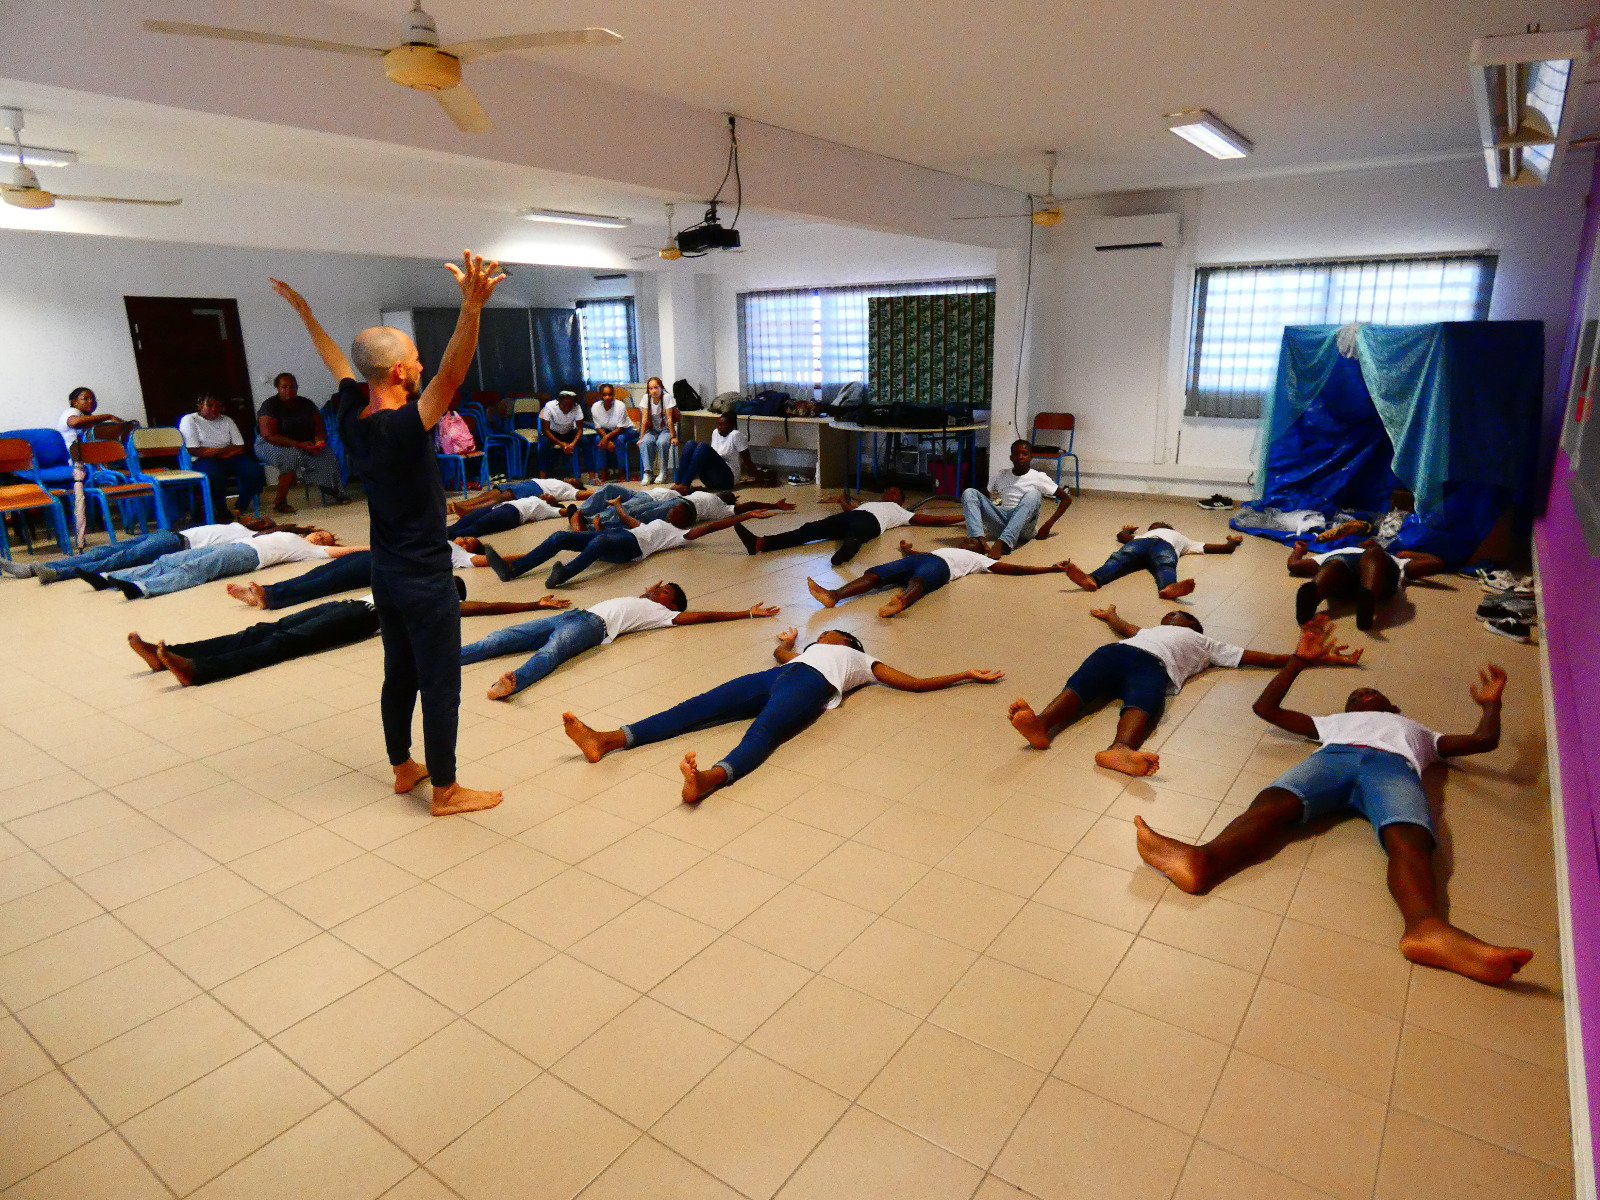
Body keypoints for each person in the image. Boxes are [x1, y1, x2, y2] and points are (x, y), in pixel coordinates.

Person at [1134, 629, 1531, 985]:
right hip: (1334, 758)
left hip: (1394, 769)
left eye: (1370, 694)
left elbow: (1482, 742)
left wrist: (1491, 706)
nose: (1362, 694)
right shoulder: (1334, 723)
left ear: (1392, 710)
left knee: (1411, 840)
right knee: (1271, 807)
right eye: (1355, 696)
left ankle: (1427, 928)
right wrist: (1298, 662)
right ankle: (1202, 862)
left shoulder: (1420, 732)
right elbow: (1265, 709)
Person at [273, 250, 507, 817]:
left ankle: (404, 766)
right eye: (414, 357)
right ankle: (446, 789)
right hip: (425, 578)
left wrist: (307, 315)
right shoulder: (404, 426)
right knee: (440, 684)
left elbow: (339, 363)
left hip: (387, 572)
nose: (422, 361)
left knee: (398, 671)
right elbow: (451, 374)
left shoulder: (354, 414)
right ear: (400, 372)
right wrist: (471, 308)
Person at [562, 626, 1004, 803]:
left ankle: (710, 779)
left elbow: (910, 680)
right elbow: (780, 653)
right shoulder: (808, 650)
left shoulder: (863, 663)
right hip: (774, 677)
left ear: (849, 643)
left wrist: (962, 673)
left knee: (765, 732)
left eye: (834, 632)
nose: (825, 633)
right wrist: (788, 641)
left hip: (811, 688)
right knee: (696, 707)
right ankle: (608, 739)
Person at [1007, 609, 1362, 776]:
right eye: (1169, 615)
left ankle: (1121, 749)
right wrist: (1110, 616)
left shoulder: (1207, 643)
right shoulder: (1146, 630)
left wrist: (1313, 659)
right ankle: (1043, 724)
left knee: (1144, 702)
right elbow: (1123, 626)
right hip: (1116, 653)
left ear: (1193, 626)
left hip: (1154, 667)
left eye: (1179, 615)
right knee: (1082, 682)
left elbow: (1265, 658)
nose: (1171, 616)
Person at [128, 579, 563, 685]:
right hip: (346, 605)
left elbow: (485, 606)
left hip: (356, 620)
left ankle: (199, 670)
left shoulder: (437, 604)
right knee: (265, 627)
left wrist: (531, 604)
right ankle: (168, 653)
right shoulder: (411, 582)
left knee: (281, 643)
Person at [463, 581, 781, 700]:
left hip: (592, 626)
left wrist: (746, 613)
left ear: (671, 604)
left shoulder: (661, 614)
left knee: (553, 652)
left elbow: (698, 615)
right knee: (503, 636)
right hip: (574, 614)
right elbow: (641, 597)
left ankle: (512, 683)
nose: (658, 591)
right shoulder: (645, 599)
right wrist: (647, 592)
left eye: (665, 591)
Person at [481, 497, 773, 587]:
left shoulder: (677, 534)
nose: (673, 507)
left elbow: (711, 527)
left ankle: (564, 576)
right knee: (560, 537)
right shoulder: (657, 523)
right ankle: (513, 570)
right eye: (675, 505)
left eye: (678, 509)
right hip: (624, 536)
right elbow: (631, 522)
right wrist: (618, 506)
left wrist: (744, 515)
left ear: (683, 519)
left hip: (630, 549)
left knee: (599, 543)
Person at [808, 541, 1071, 618]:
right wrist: (907, 549)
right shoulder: (940, 549)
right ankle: (835, 595)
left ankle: (901, 602)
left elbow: (1014, 569)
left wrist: (1049, 568)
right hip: (923, 558)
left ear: (980, 549)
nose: (968, 541)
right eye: (968, 539)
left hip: (940, 568)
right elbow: (914, 554)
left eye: (974, 542)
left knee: (919, 583)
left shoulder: (981, 560)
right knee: (876, 574)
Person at [89, 529, 363, 599]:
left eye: (324, 539)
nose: (318, 537)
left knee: (195, 570)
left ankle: (143, 588)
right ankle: (110, 577)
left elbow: (350, 550)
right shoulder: (292, 534)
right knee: (169, 559)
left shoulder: (310, 551)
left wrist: (382, 544)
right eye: (320, 533)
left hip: (247, 557)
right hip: (235, 545)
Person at [226, 539, 491, 610]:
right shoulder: (439, 536)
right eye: (465, 537)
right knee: (319, 572)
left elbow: (485, 560)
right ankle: (265, 591)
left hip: (387, 568)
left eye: (469, 541)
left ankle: (272, 598)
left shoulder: (458, 556)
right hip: (378, 554)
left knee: (327, 582)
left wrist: (523, 560)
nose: (464, 539)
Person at [1, 518, 282, 584]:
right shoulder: (236, 523)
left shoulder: (250, 539)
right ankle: (37, 569)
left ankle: (55, 573)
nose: (263, 522)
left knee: (115, 560)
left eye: (268, 525)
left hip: (175, 545)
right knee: (106, 551)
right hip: (169, 534)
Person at [732, 487, 964, 566]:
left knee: (856, 535)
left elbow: (936, 521)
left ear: (901, 501)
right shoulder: (870, 502)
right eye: (889, 490)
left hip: (870, 523)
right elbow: (849, 509)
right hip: (855, 515)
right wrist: (843, 500)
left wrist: (964, 517)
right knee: (809, 529)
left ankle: (845, 551)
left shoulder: (901, 512)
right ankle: (761, 543)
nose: (890, 493)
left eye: (895, 493)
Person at [1287, 539, 1449, 629]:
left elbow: (1436, 563)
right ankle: (1312, 598)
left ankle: (1368, 596)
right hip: (1341, 580)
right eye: (1368, 540)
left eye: (1376, 542)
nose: (1372, 540)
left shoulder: (1396, 560)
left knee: (1373, 556)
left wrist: (1407, 554)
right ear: (1358, 544)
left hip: (1380, 578)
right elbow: (1294, 566)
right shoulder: (1339, 551)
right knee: (1335, 565)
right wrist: (1298, 549)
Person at [1065, 522, 1243, 600]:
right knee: (1120, 559)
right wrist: (1127, 530)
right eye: (1154, 525)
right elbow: (1122, 537)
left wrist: (1232, 542)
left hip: (1162, 546)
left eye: (1158, 524)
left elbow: (1223, 549)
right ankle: (1092, 579)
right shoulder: (1142, 535)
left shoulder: (1183, 539)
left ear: (1170, 528)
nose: (1156, 526)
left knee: (1163, 565)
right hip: (1149, 545)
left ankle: (1169, 587)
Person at [961, 440, 1073, 556]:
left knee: (1034, 494)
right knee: (969, 492)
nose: (1020, 457)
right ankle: (978, 540)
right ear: (1011, 457)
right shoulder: (1001, 475)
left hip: (1024, 529)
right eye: (1016, 454)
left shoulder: (1038, 477)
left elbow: (1066, 499)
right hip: (1000, 523)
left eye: (1024, 454)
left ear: (1031, 457)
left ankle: (1004, 542)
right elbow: (993, 500)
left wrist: (1048, 525)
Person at [255, 372, 345, 513]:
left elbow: (320, 428)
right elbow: (269, 435)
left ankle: (333, 490)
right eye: (284, 387)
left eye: (293, 386)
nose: (289, 390)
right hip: (270, 445)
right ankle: (280, 501)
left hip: (304, 444)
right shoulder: (270, 405)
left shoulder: (306, 404)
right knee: (292, 456)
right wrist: (300, 445)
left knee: (327, 454)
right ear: (277, 388)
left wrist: (318, 441)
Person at [178, 393, 267, 522]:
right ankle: (221, 510)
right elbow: (194, 450)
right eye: (209, 405)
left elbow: (240, 446)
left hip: (229, 457)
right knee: (214, 475)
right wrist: (224, 451)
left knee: (255, 471)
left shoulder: (227, 420)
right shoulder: (189, 419)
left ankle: (240, 506)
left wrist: (219, 452)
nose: (214, 409)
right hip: (202, 459)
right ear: (200, 406)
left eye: (218, 406)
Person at [676, 411, 757, 490]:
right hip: (711, 478)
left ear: (731, 426)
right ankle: (678, 483)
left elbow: (748, 461)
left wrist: (759, 478)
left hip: (727, 479)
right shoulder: (716, 432)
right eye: (718, 424)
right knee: (690, 444)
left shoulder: (735, 435)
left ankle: (685, 485)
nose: (719, 427)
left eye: (722, 425)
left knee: (703, 446)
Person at [447, 477, 593, 516]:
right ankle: (462, 505)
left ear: (577, 486)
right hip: (529, 482)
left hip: (535, 488)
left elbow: (589, 493)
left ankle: (469, 511)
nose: (571, 478)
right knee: (492, 492)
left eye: (575, 480)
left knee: (502, 498)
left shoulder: (571, 491)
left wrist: (612, 491)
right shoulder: (559, 480)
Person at [445, 493, 561, 540]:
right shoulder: (534, 497)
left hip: (513, 513)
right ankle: (436, 535)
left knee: (478, 526)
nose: (548, 494)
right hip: (501, 506)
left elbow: (564, 511)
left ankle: (444, 540)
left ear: (553, 502)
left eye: (551, 496)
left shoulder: (548, 509)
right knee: (464, 520)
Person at [590, 384, 638, 481]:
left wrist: (606, 439)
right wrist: (605, 439)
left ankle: (623, 471)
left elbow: (620, 428)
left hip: (627, 429)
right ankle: (603, 471)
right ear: (600, 395)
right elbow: (598, 427)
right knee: (597, 440)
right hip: (608, 431)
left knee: (619, 440)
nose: (607, 397)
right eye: (604, 395)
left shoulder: (620, 406)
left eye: (610, 395)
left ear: (613, 395)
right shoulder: (595, 407)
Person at [537, 391, 589, 479]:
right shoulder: (550, 406)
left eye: (569, 406)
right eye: (564, 405)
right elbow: (545, 430)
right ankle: (543, 477)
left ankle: (592, 476)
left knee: (585, 442)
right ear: (559, 402)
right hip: (553, 432)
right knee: (544, 444)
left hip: (569, 431)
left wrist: (572, 445)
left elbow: (580, 430)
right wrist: (562, 444)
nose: (567, 409)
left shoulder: (576, 407)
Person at [638, 375, 678, 483]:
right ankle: (648, 473)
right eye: (651, 388)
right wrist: (641, 437)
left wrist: (673, 436)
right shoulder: (646, 398)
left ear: (661, 387)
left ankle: (663, 472)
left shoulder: (666, 397)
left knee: (662, 442)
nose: (654, 391)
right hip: (652, 430)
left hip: (665, 429)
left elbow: (669, 418)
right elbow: (644, 419)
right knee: (645, 442)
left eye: (656, 387)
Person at [57, 387, 125, 447]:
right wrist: (107, 416)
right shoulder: (72, 411)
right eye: (85, 399)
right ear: (75, 402)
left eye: (93, 399)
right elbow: (74, 422)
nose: (91, 401)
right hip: (73, 458)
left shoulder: (87, 417)